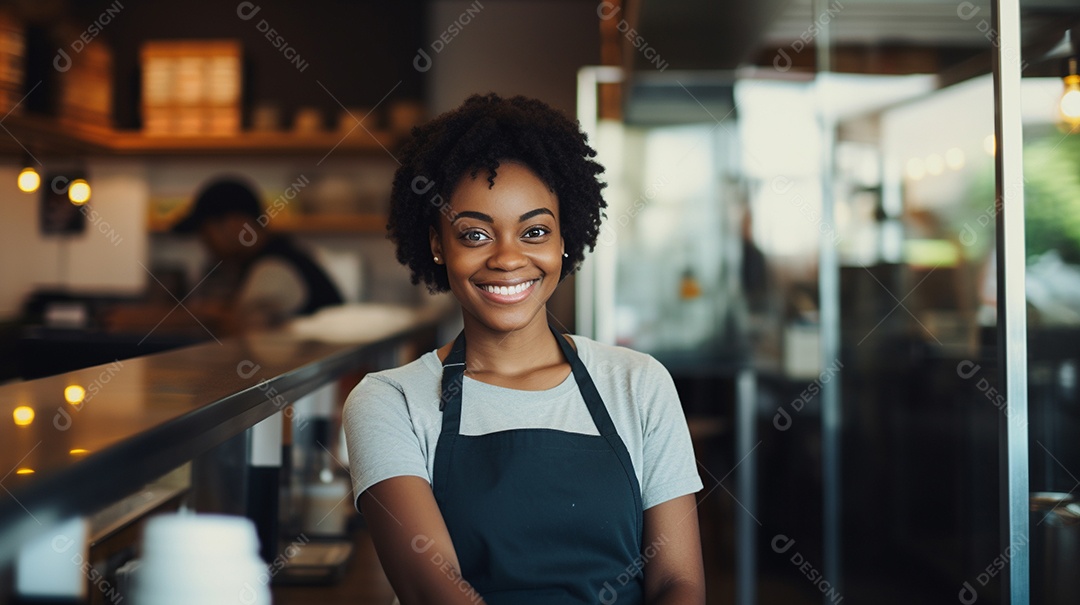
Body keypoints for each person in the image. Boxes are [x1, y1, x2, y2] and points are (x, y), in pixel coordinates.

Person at [343, 94, 705, 604]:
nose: (509, 258)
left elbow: (677, 582)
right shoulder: (390, 402)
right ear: (438, 244)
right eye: (475, 234)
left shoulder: (638, 383)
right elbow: (436, 590)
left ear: (563, 239)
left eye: (534, 231)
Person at [109, 177, 344, 337]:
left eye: (205, 232)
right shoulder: (279, 257)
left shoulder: (274, 267)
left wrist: (209, 315)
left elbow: (247, 330)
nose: (204, 244)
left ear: (235, 224)